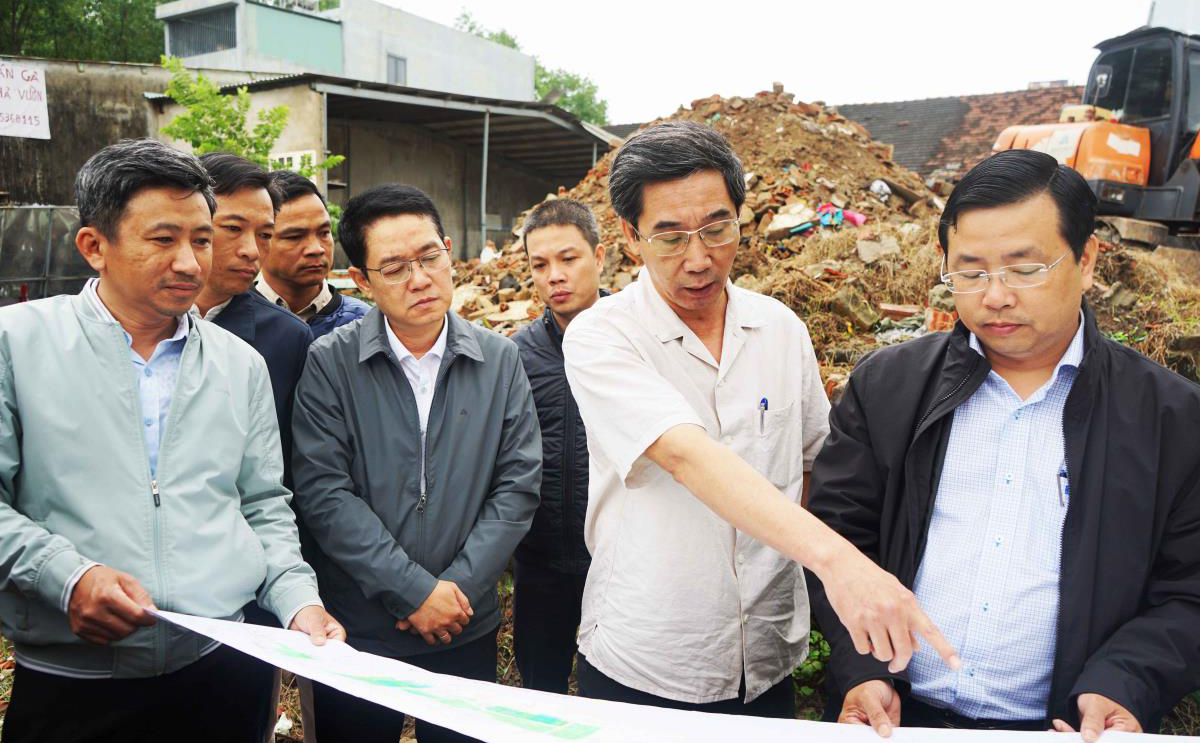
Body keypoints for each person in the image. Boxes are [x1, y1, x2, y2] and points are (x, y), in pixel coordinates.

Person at [560, 120, 959, 719]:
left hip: (767, 657)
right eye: (669, 236)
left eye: (717, 227)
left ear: (741, 215)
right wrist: (842, 565)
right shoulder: (602, 336)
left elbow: (819, 469)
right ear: (628, 234)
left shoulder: (779, 329)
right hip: (650, 656)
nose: (698, 258)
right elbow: (685, 455)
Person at [807, 149, 1200, 738]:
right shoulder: (887, 388)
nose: (994, 295)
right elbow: (836, 541)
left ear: (1087, 260)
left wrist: (1125, 682)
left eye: (1024, 269)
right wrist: (860, 667)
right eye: (970, 272)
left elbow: (1189, 589)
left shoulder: (1171, 417)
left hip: (1065, 729)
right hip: (898, 720)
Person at [0, 139, 343, 743]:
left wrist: (298, 601)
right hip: (73, 685)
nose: (191, 262)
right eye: (163, 240)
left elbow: (262, 505)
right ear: (94, 246)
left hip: (220, 671)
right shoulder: (17, 344)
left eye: (201, 239)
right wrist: (67, 577)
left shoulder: (241, 365)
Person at [291, 184, 541, 743]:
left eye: (430, 257)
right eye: (396, 267)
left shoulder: (500, 361)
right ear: (361, 280)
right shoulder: (331, 363)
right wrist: (411, 592)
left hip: (463, 622)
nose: (420, 279)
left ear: (448, 251)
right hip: (360, 628)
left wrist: (454, 593)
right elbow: (324, 492)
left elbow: (517, 487)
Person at [194, 152, 317, 743]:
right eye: (232, 229)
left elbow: (279, 480)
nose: (251, 250)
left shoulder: (283, 337)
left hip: (248, 590)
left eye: (263, 235)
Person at [510, 199, 607, 694]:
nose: (555, 277)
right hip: (541, 562)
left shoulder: (635, 342)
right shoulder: (514, 354)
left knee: (611, 696)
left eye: (568, 259)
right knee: (540, 689)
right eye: (540, 265)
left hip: (618, 563)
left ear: (600, 256)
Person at [257, 169, 369, 336]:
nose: (316, 249)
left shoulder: (364, 324)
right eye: (295, 236)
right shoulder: (230, 321)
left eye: (324, 232)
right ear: (260, 240)